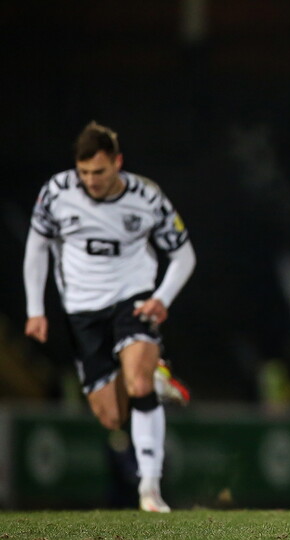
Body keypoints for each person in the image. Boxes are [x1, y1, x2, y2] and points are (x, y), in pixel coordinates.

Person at [23, 122, 196, 513]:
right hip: (81, 309)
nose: (91, 181)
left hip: (132, 299)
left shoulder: (146, 197)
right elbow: (37, 246)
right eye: (84, 172)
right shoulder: (57, 193)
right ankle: (152, 373)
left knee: (137, 384)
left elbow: (184, 255)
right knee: (112, 416)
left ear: (117, 163)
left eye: (99, 172)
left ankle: (150, 489)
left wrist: (161, 298)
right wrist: (35, 309)